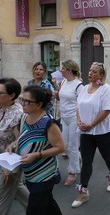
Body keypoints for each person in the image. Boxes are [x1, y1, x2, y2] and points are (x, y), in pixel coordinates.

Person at [9, 85, 65, 215]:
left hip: (44, 174)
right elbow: (22, 138)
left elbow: (61, 147)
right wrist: (13, 144)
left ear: (39, 104)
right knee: (48, 204)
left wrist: (37, 155)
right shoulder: (24, 117)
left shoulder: (48, 123)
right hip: (30, 173)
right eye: (22, 99)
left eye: (27, 101)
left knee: (35, 209)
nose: (22, 104)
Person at [72, 62, 110, 208]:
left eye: (94, 71)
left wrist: (91, 124)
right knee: (86, 161)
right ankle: (83, 191)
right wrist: (79, 121)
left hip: (104, 131)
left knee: (107, 157)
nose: (90, 73)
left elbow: (106, 111)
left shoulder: (106, 89)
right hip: (86, 131)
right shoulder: (84, 88)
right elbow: (79, 106)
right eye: (90, 70)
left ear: (101, 75)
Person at [0, 78, 29, 215]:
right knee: (17, 189)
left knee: (3, 199)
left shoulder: (17, 114)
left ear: (11, 96)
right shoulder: (2, 107)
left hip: (8, 161)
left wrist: (8, 168)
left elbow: (19, 142)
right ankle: (39, 209)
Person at [57, 60, 83, 186]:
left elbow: (81, 104)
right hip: (63, 117)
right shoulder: (63, 82)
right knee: (64, 145)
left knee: (73, 145)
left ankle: (73, 171)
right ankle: (77, 158)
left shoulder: (79, 85)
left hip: (73, 118)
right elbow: (61, 97)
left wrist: (79, 119)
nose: (60, 70)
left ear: (69, 70)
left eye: (62, 68)